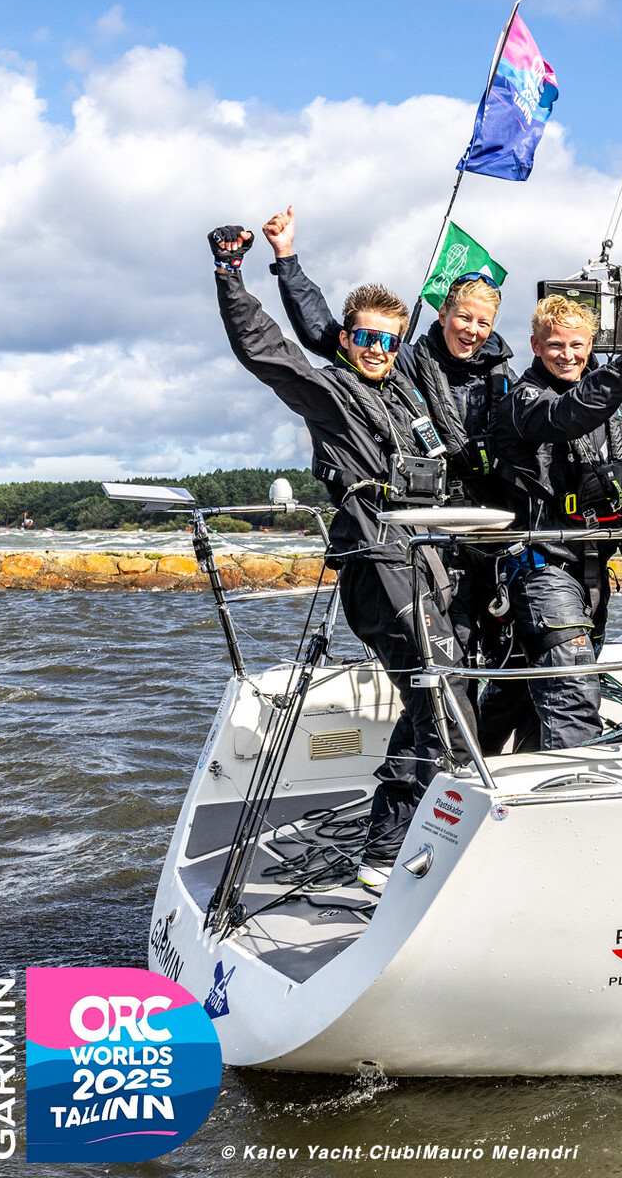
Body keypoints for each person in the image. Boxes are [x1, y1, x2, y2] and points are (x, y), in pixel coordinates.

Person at [206, 224, 475, 888]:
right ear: (346, 341)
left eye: (389, 340)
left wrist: (290, 261)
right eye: (365, 338)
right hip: (377, 563)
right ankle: (392, 850)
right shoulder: (329, 393)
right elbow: (266, 348)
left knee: (444, 694)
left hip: (429, 558)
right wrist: (232, 275)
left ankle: (410, 836)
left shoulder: (406, 389)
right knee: (439, 692)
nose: (377, 350)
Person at [260, 206, 530, 750]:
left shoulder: (505, 376)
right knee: (441, 664)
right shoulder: (402, 359)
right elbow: (324, 331)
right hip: (429, 528)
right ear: (443, 313)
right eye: (464, 318)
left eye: (483, 323)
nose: (472, 331)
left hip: (489, 527)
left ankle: (466, 762)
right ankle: (436, 771)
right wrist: (287, 260)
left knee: (500, 656)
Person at [491, 295, 622, 749]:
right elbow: (564, 417)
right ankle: (579, 781)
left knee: (525, 702)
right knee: (573, 691)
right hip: (542, 570)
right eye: (555, 345)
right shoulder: (522, 401)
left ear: (591, 344)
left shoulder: (616, 398)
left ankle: (504, 774)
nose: (567, 355)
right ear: (536, 346)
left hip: (594, 572)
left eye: (577, 345)